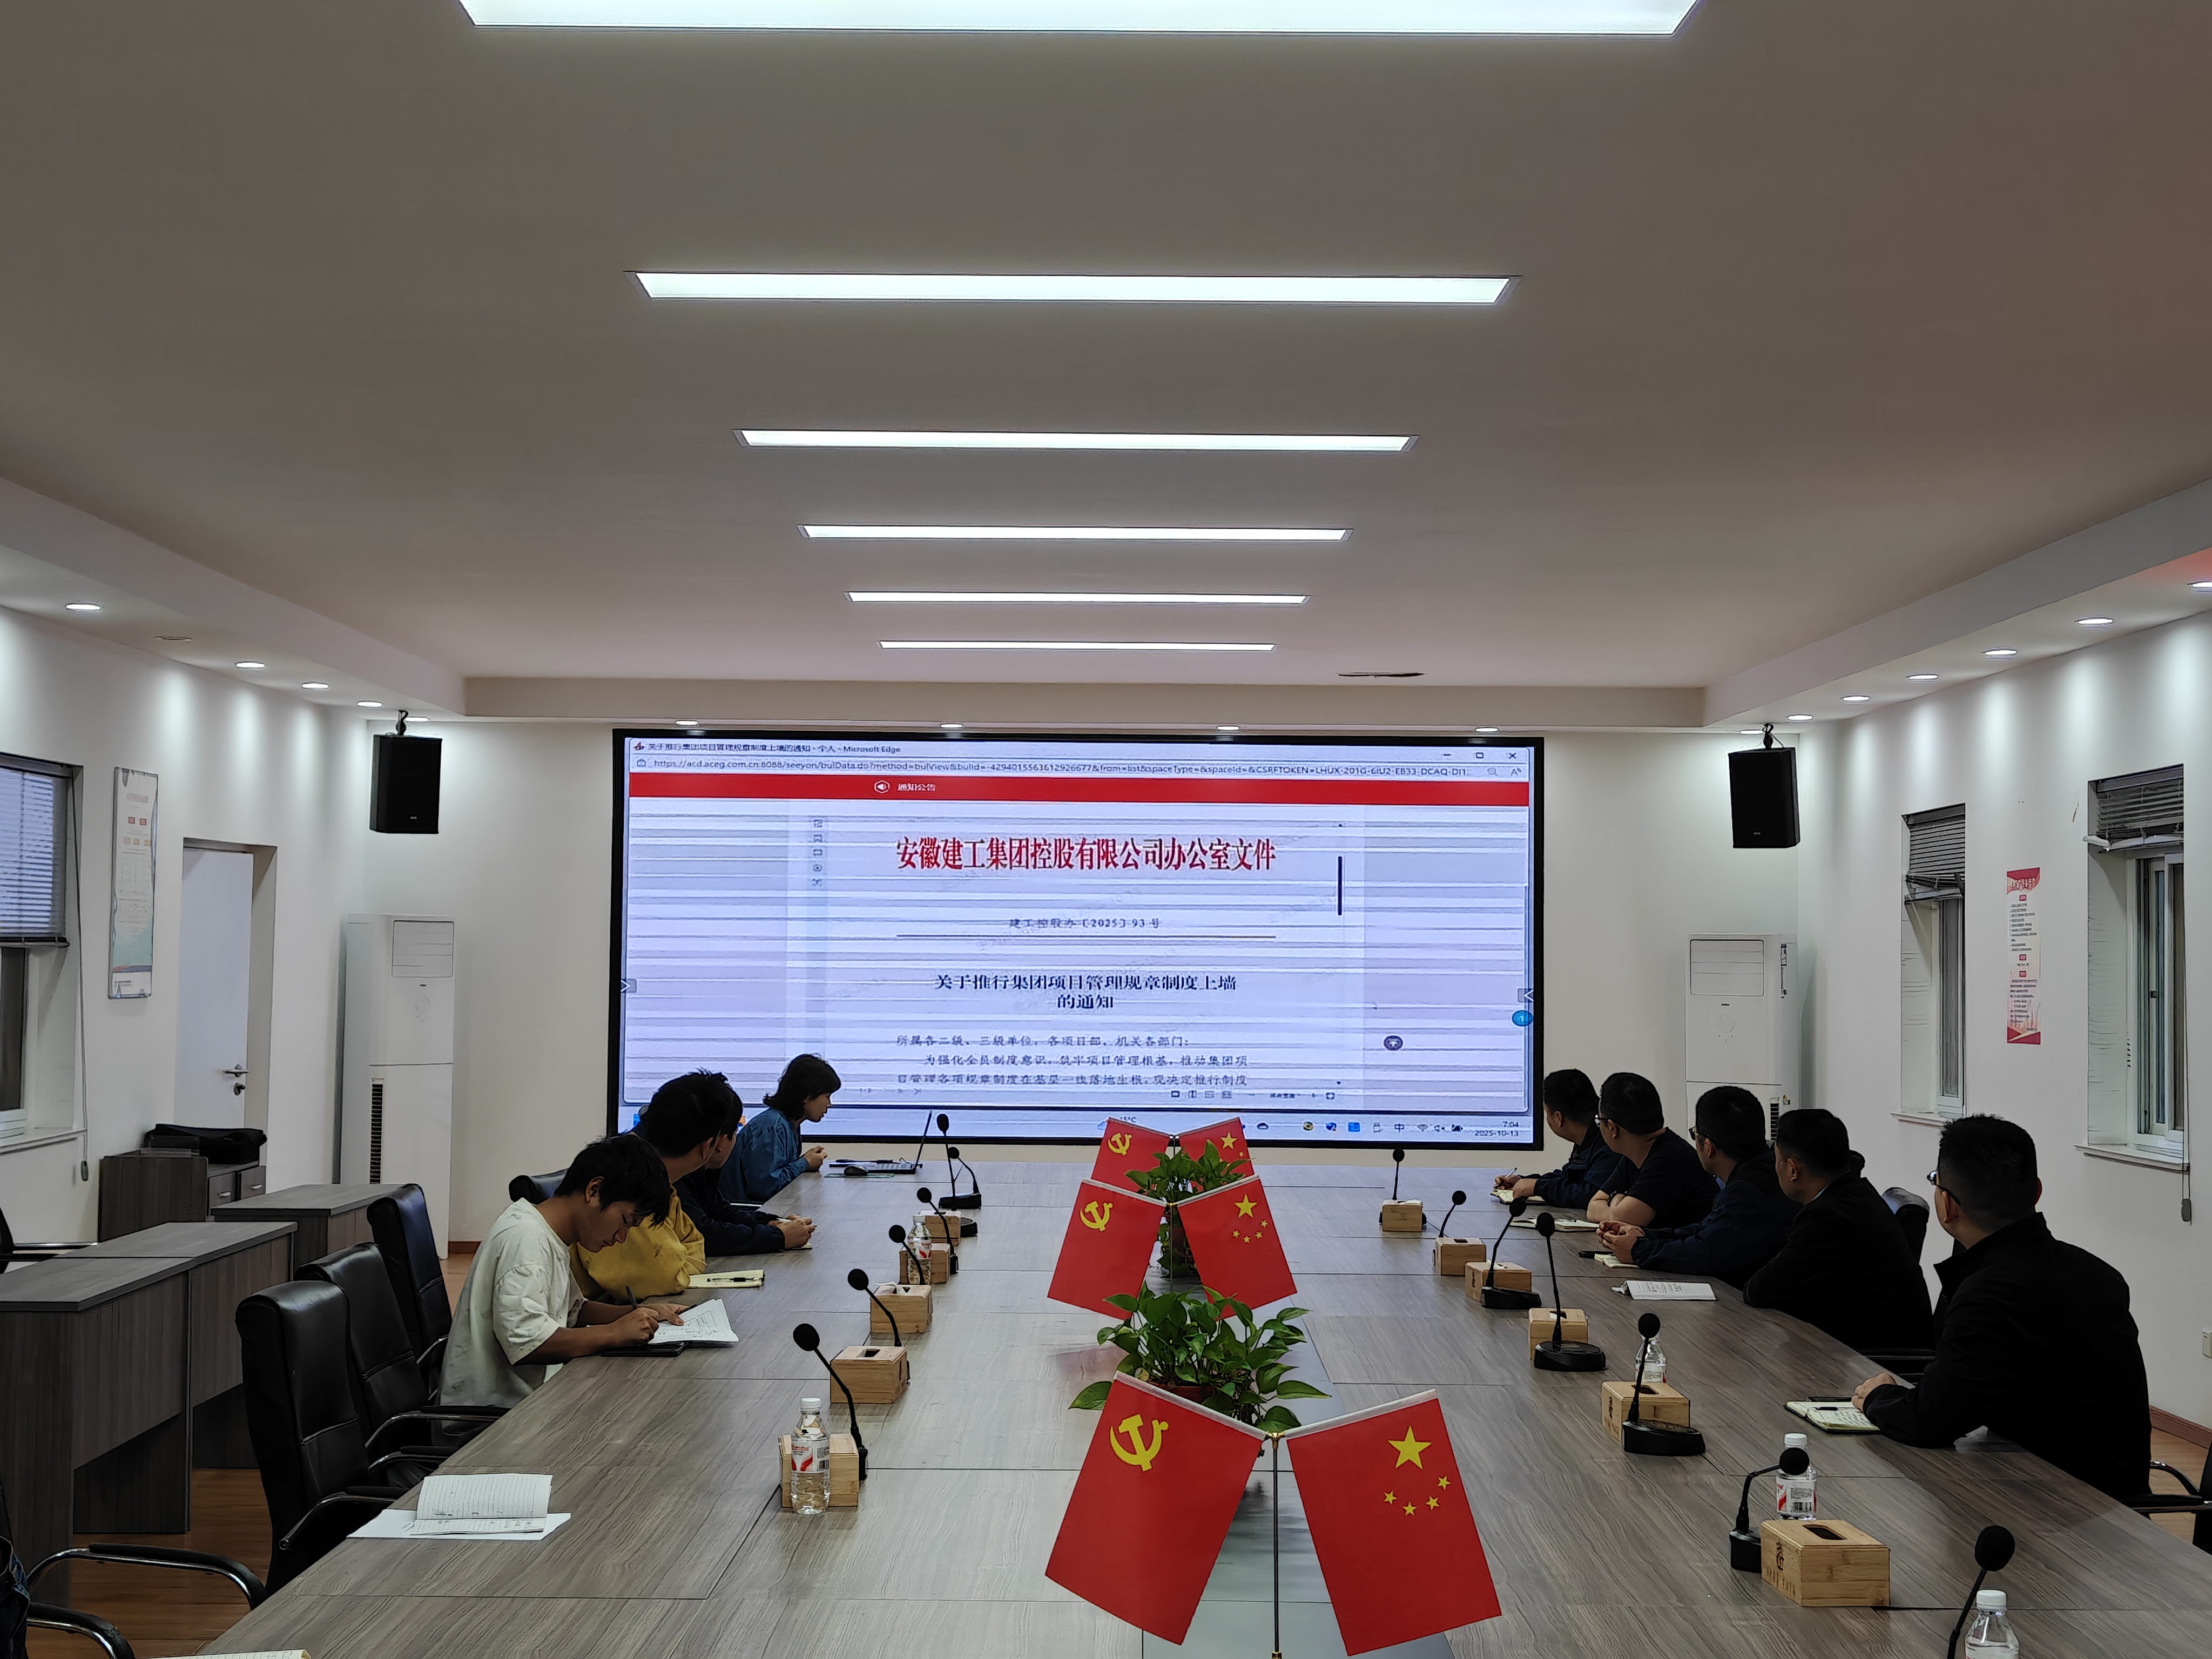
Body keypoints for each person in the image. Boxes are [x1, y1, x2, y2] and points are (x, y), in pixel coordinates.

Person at [1851, 1115, 2150, 1502]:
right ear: (2037, 1192)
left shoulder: (1992, 1293)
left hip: (2060, 1506)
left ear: (1947, 1205)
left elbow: (1930, 1420)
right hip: (2112, 1499)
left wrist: (1877, 1398)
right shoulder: (2097, 1273)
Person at [442, 1135, 686, 1406]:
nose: (622, 1237)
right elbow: (529, 1344)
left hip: (532, 1401)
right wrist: (614, 1334)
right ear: (594, 1191)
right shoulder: (526, 1240)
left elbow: (573, 1311)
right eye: (626, 1220)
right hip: (494, 1416)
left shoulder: (549, 1235)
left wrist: (641, 1314)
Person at [1743, 1108, 1933, 1354]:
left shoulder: (1831, 1217)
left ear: (1792, 1169)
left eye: (1776, 1159)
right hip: (1874, 1344)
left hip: (1875, 1360)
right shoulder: (1855, 1194)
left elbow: (1760, 1292)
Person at [1595, 1086, 1797, 1286]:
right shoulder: (1762, 1172)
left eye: (1695, 1135)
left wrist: (1638, 1250)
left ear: (1708, 1147)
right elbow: (1706, 1230)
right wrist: (1646, 1236)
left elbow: (1706, 1253)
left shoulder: (1749, 1191)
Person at [572, 1082, 723, 1298]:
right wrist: (681, 1262)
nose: (622, 1237)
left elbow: (694, 1242)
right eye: (627, 1221)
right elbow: (667, 1276)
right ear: (710, 1146)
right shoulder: (629, 1181)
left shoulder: (661, 1183)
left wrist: (680, 1262)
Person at [665, 1069, 816, 1253]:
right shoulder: (664, 1178)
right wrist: (778, 1236)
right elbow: (704, 1234)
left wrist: (771, 1223)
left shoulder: (693, 1167)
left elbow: (719, 1210)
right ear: (717, 1143)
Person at [1583, 1072, 1715, 1230]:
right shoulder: (1634, 1155)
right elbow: (1593, 1207)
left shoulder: (1670, 1158)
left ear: (1612, 1128)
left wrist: (1615, 1200)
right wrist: (1619, 1205)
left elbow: (1625, 1218)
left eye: (1599, 1121)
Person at [1495, 1068, 1627, 1207]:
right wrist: (1524, 1181)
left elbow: (1590, 1195)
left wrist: (1538, 1187)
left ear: (1558, 1118)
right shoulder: (1589, 1138)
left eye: (1547, 1112)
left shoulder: (1609, 1144)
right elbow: (1569, 1178)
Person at [724, 1053, 839, 1204]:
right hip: (747, 1210)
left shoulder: (790, 1124)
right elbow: (765, 1188)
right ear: (808, 1096)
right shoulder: (771, 1127)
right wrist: (804, 1163)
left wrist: (806, 1163)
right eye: (827, 1096)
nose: (830, 1104)